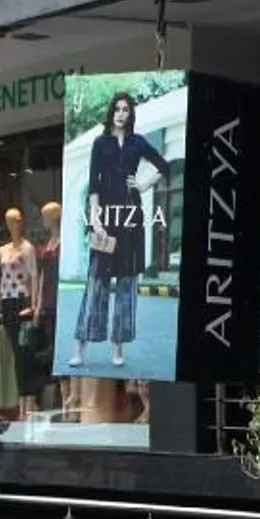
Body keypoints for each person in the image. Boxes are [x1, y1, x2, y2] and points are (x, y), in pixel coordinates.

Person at [71, 90, 171, 370]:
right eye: (117, 108)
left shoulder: (139, 143)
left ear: (130, 114)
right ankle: (80, 345)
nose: (120, 113)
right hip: (106, 219)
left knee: (126, 285)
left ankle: (118, 348)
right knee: (96, 283)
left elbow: (163, 165)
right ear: (111, 112)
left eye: (125, 109)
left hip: (130, 217)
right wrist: (97, 220)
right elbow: (93, 185)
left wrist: (143, 184)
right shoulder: (99, 143)